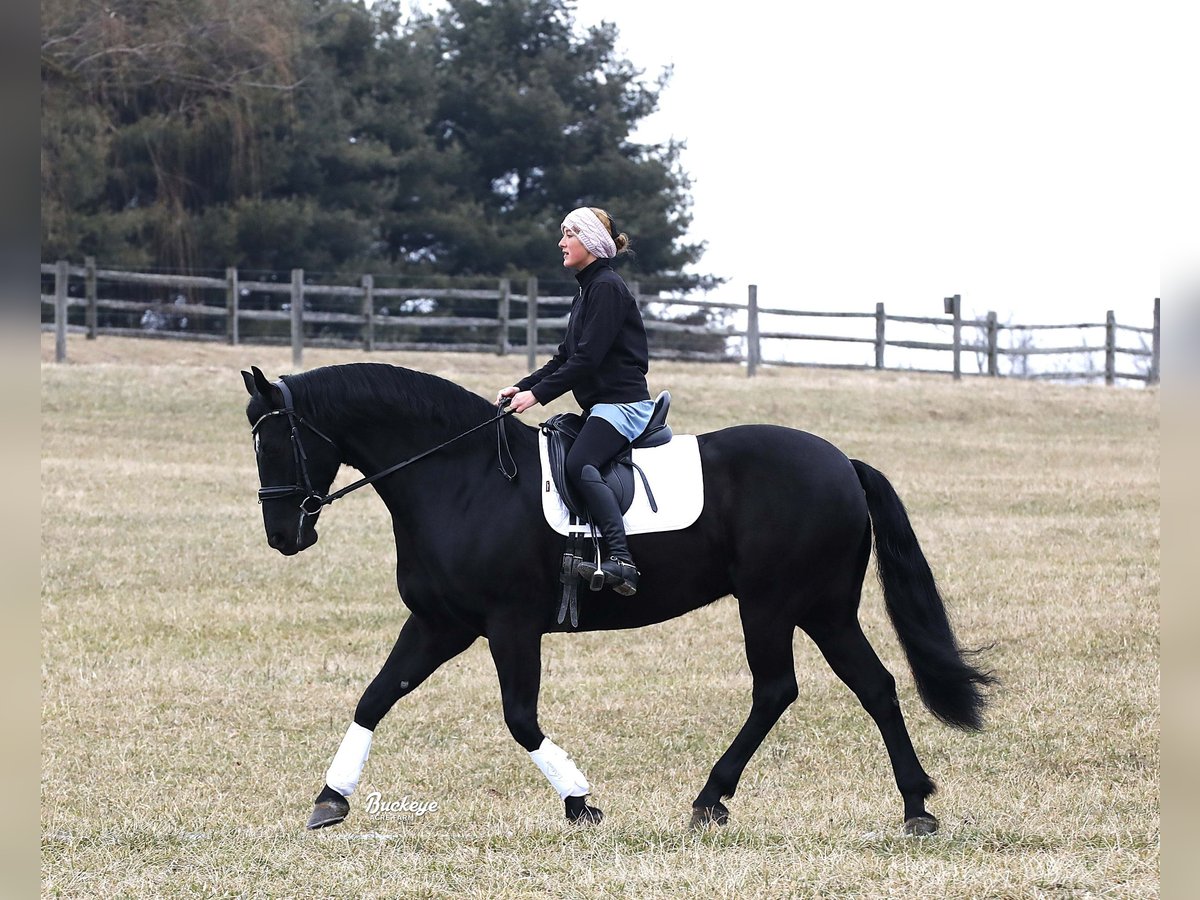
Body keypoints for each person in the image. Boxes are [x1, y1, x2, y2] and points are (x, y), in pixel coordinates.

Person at [497, 207, 652, 596]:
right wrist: (523, 386)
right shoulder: (587, 289)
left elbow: (588, 360)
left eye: (569, 234)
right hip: (601, 407)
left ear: (592, 242)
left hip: (623, 406)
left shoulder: (606, 288)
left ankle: (622, 559)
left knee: (581, 462)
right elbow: (565, 358)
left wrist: (539, 395)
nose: (561, 242)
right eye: (563, 234)